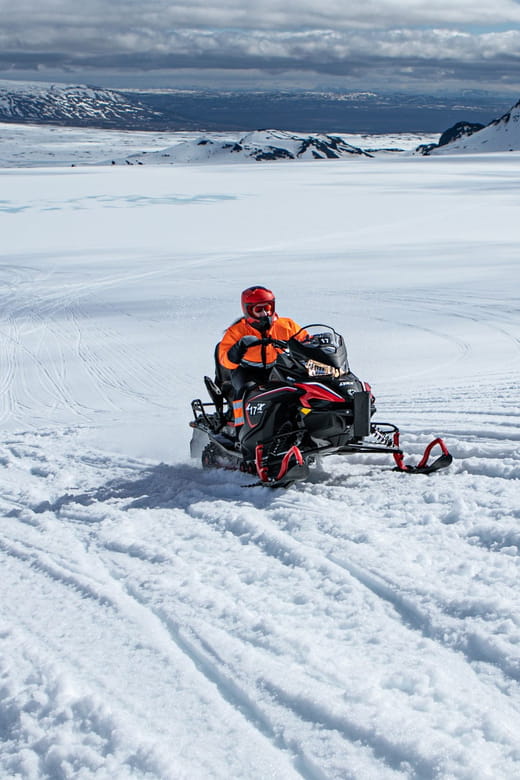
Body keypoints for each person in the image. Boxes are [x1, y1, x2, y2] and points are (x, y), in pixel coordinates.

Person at [217, 286, 305, 429]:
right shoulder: (237, 331)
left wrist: (318, 344)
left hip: (277, 368)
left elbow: (305, 339)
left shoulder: (286, 325)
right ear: (248, 310)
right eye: (259, 310)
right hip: (247, 370)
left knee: (297, 388)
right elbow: (225, 360)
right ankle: (241, 428)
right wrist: (239, 347)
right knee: (246, 390)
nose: (265, 313)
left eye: (268, 308)